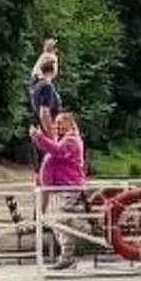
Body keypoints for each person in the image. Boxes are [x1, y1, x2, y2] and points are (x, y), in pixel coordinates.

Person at [29, 112, 86, 268]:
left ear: (70, 123)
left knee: (59, 219)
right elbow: (53, 148)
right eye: (57, 123)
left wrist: (39, 137)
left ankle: (68, 255)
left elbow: (58, 151)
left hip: (68, 187)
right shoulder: (64, 140)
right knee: (56, 220)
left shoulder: (71, 140)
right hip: (59, 188)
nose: (58, 126)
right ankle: (67, 255)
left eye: (61, 123)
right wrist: (37, 139)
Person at [28, 55, 63, 171]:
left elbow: (34, 72)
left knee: (40, 166)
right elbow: (44, 112)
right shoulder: (47, 86)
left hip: (37, 130)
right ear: (53, 68)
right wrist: (52, 136)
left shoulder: (35, 85)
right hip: (44, 132)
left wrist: (46, 53)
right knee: (47, 165)